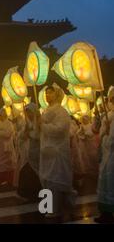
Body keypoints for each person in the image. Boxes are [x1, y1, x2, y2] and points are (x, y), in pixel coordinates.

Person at [39, 84, 76, 218]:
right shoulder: (45, 111)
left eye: (51, 93)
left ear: (58, 95)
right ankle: (48, 206)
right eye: (46, 93)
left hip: (57, 152)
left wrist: (42, 125)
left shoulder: (62, 112)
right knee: (46, 180)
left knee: (55, 180)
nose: (47, 95)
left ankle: (54, 209)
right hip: (46, 151)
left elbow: (60, 130)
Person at [95, 87, 114, 223]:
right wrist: (104, 131)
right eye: (111, 98)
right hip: (107, 156)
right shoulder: (109, 115)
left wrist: (107, 135)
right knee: (105, 184)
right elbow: (99, 132)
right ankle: (105, 213)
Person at [16, 103, 42, 201]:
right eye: (27, 112)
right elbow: (21, 136)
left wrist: (30, 133)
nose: (29, 114)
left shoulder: (39, 122)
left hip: (38, 150)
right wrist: (26, 131)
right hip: (29, 150)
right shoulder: (26, 123)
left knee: (37, 170)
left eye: (30, 112)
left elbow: (38, 136)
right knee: (26, 170)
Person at [0, 108, 17, 187]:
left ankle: (9, 180)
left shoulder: (9, 123)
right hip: (0, 146)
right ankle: (1, 180)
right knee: (0, 163)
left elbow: (8, 134)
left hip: (7, 146)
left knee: (9, 163)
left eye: (0, 115)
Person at [77, 115, 98, 179]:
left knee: (94, 155)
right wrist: (83, 136)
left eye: (85, 119)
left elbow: (94, 132)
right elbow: (78, 133)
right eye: (83, 119)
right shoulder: (82, 126)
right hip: (87, 143)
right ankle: (91, 169)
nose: (84, 120)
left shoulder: (91, 125)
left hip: (92, 142)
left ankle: (95, 168)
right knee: (88, 156)